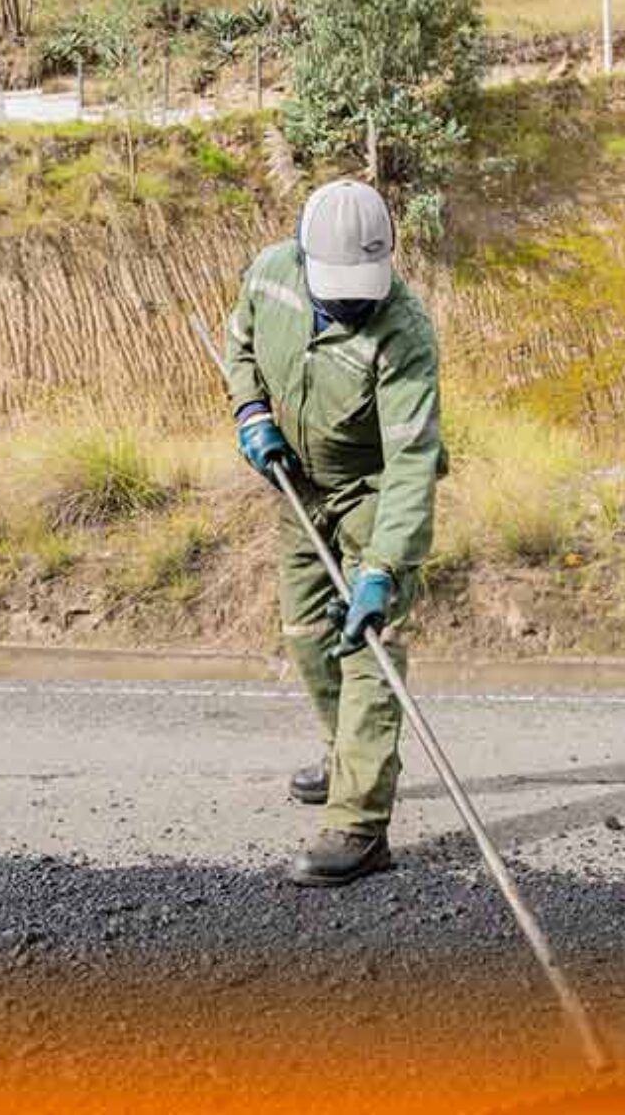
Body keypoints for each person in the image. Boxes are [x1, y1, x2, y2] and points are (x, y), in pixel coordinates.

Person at [221, 179, 446, 888]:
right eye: (337, 287)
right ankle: (344, 750)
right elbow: (241, 347)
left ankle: (360, 823)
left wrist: (384, 566)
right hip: (298, 484)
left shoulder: (404, 334)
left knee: (365, 644)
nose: (351, 301)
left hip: (371, 491)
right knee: (305, 634)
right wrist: (250, 413)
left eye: (362, 288)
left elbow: (412, 462)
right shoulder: (270, 274)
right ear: (303, 253)